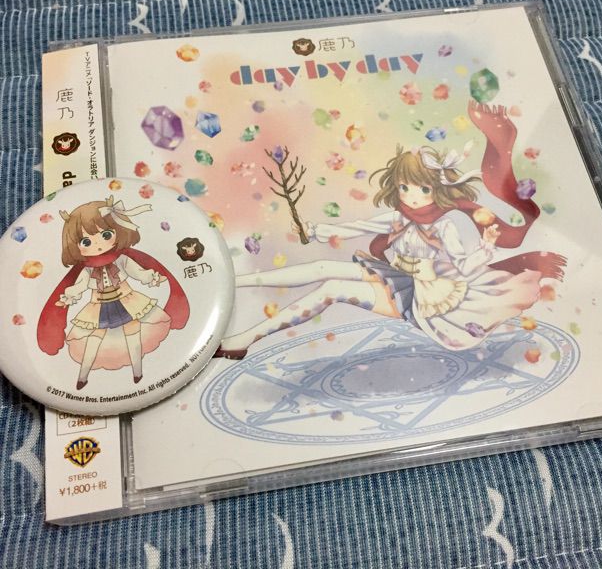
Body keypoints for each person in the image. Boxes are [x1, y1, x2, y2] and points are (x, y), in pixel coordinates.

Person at [217, 101, 565, 359]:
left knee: (331, 288)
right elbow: (357, 226)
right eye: (404, 187)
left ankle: (244, 339)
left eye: (422, 188)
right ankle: (235, 281)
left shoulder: (444, 224)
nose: (412, 196)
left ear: (436, 188)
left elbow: (463, 267)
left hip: (428, 300)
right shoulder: (399, 217)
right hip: (399, 277)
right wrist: (318, 229)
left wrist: (486, 248)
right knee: (323, 268)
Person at [37, 196, 189, 389]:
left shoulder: (121, 260)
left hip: (128, 301)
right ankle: (83, 376)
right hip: (99, 306)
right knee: (93, 339)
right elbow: (80, 285)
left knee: (133, 335)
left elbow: (137, 272)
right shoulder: (87, 269)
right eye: (86, 241)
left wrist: (151, 277)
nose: (98, 244)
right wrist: (70, 294)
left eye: (106, 235)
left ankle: (138, 372)